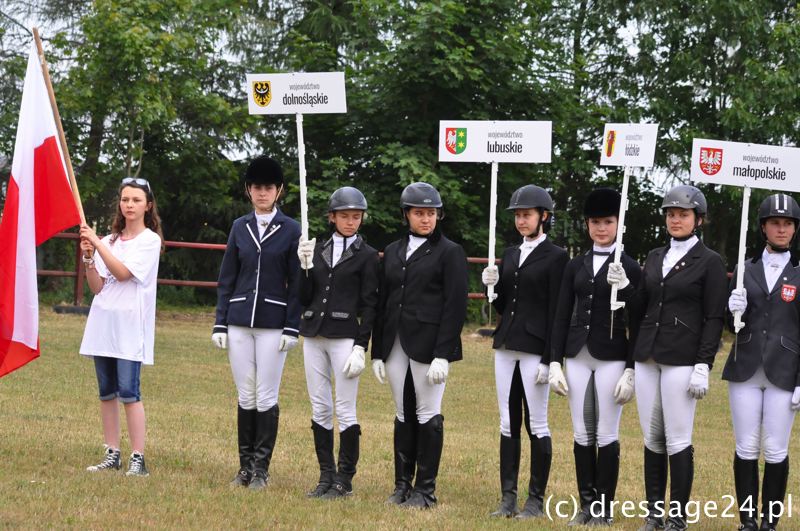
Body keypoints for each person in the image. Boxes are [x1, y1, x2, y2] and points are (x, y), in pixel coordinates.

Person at [618, 184, 728, 531]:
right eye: (671, 214)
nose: (675, 220)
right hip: (648, 355)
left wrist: (703, 364)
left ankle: (677, 518)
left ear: (698, 219)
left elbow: (714, 317)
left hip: (683, 357)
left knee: (677, 438)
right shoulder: (654, 256)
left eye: (682, 214)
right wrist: (624, 287)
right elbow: (641, 307)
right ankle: (654, 514)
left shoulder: (710, 262)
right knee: (652, 438)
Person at [371, 182, 468, 509]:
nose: (426, 219)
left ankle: (425, 489)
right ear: (406, 215)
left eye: (431, 213)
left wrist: (443, 354)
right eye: (419, 213)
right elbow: (383, 303)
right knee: (403, 413)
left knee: (428, 413)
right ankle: (402, 485)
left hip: (429, 344)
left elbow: (454, 306)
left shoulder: (450, 252)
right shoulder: (393, 250)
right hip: (395, 342)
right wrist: (377, 352)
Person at [548, 188, 642, 526]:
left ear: (618, 224)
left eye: (607, 222)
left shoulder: (630, 265)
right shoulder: (575, 265)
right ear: (587, 224)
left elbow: (639, 318)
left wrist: (631, 369)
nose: (601, 228)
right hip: (577, 353)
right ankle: (586, 504)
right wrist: (554, 360)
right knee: (581, 431)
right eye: (595, 222)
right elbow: (561, 314)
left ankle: (604, 507)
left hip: (612, 354)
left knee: (606, 431)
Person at [212, 155, 301, 490]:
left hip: (273, 322)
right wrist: (220, 322)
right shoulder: (240, 226)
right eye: (257, 187)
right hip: (239, 320)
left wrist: (292, 326)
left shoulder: (292, 229)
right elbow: (227, 278)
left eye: (268, 187)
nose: (262, 193)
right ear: (248, 190)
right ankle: (245, 467)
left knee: (266, 395)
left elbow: (297, 284)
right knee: (245, 394)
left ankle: (262, 469)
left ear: (278, 191)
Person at [481, 184, 568, 519]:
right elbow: (504, 304)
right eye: (518, 215)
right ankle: (508, 497)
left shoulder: (556, 256)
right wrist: (492, 287)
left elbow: (558, 311)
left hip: (535, 347)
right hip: (506, 344)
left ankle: (535, 499)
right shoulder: (511, 254)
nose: (521, 220)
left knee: (538, 423)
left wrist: (551, 359)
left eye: (527, 215)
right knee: (508, 422)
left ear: (543, 216)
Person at [296, 186, 380, 499]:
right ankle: (325, 475)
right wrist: (304, 267)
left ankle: (345, 479)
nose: (350, 221)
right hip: (313, 334)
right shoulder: (316, 249)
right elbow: (304, 296)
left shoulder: (368, 256)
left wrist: (361, 345)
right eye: (345, 216)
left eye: (356, 217)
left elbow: (370, 304)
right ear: (332, 217)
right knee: (320, 406)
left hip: (344, 336)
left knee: (345, 408)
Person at [724, 193, 800, 531]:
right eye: (775, 223)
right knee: (746, 446)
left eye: (787, 224)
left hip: (784, 369)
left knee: (775, 448)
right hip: (746, 366)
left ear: (794, 229)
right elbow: (732, 326)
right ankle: (747, 521)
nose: (781, 229)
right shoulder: (745, 268)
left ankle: (770, 522)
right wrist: (733, 309)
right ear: (763, 227)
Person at [79, 176, 163, 477]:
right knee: (107, 392)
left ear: (147, 206)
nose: (130, 205)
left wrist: (97, 244)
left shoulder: (150, 241)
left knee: (129, 391)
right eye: (125, 199)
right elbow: (97, 287)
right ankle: (112, 453)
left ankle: (137, 457)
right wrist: (89, 258)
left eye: (136, 200)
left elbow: (124, 273)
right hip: (103, 324)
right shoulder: (109, 241)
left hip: (129, 326)